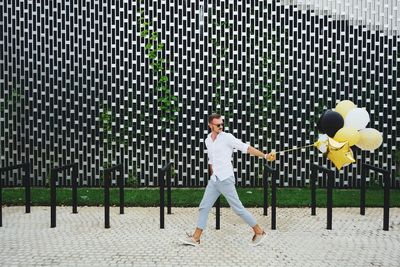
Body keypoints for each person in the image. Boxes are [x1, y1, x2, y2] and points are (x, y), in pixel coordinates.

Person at [181, 113, 276, 247]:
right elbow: (211, 160)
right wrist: (212, 173)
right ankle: (196, 238)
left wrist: (265, 156)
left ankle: (259, 232)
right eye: (217, 124)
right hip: (214, 180)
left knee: (238, 209)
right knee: (203, 207)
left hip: (226, 179)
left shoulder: (227, 138)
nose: (221, 126)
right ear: (210, 125)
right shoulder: (208, 140)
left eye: (222, 124)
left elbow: (246, 148)